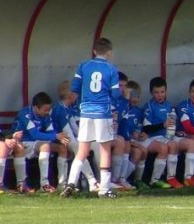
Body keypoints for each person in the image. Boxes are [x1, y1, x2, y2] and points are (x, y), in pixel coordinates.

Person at [62, 37, 122, 198]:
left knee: (82, 150)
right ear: (109, 53)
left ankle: (70, 183)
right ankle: (104, 189)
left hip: (86, 113)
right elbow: (116, 93)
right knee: (105, 150)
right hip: (102, 113)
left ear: (94, 51)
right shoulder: (111, 69)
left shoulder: (83, 66)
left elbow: (74, 87)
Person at [140, 76, 194, 189]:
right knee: (172, 145)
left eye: (162, 92)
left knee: (191, 143)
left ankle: (188, 178)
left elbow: (172, 124)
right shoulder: (149, 106)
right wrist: (163, 125)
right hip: (155, 137)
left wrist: (178, 132)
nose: (160, 95)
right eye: (156, 92)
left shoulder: (168, 105)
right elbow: (146, 128)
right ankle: (166, 178)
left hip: (169, 136)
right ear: (151, 93)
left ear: (166, 91)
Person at [13, 92, 70, 193]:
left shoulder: (46, 116)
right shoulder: (25, 113)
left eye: (49, 109)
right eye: (45, 110)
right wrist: (56, 136)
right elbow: (35, 134)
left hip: (37, 143)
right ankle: (44, 184)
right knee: (45, 146)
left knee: (62, 148)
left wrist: (60, 137)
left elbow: (51, 132)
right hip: (22, 143)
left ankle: (62, 184)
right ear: (36, 107)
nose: (47, 112)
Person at [52, 81, 100, 193]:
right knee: (80, 150)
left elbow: (74, 128)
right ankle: (92, 181)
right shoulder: (60, 109)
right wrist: (82, 145)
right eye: (76, 93)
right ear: (71, 94)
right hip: (59, 139)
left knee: (96, 145)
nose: (78, 95)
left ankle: (102, 178)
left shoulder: (67, 107)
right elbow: (67, 133)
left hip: (68, 138)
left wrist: (86, 141)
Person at [120, 80, 147, 185]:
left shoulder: (138, 111)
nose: (135, 99)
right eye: (132, 95)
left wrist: (138, 133)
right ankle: (121, 179)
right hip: (123, 140)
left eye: (137, 96)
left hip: (132, 140)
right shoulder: (122, 108)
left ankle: (135, 180)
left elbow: (138, 126)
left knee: (143, 151)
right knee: (138, 151)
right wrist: (130, 139)